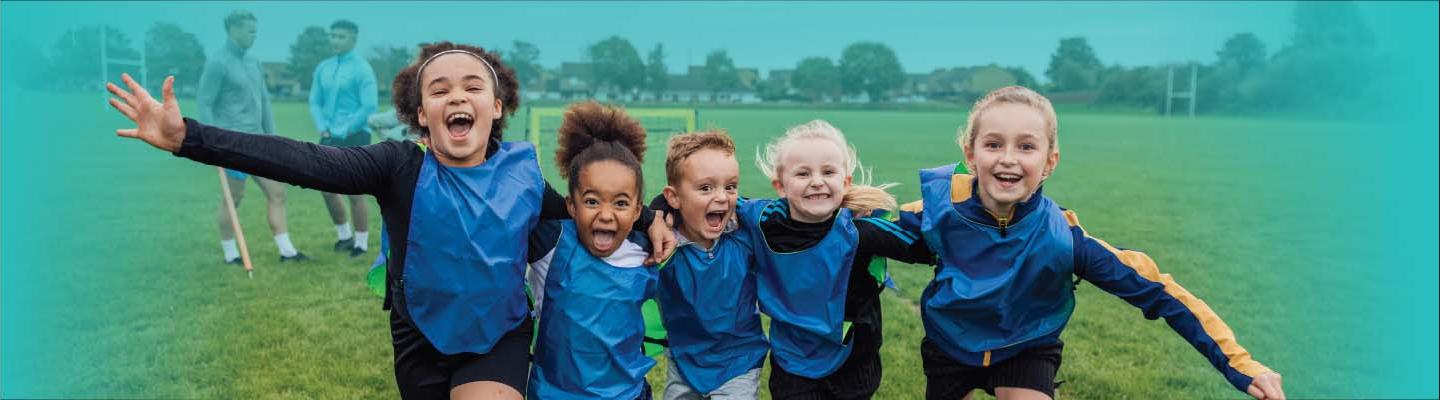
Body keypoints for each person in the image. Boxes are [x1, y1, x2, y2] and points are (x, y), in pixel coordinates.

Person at [105, 41, 674, 400]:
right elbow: (304, 160)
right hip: (420, 337)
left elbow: (582, 205)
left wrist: (650, 216)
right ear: (420, 113)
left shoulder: (522, 174)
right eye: (440, 89)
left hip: (497, 336)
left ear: (496, 107)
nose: (458, 95)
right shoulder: (398, 167)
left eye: (474, 87)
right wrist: (189, 138)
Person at [894, 86, 1285, 400]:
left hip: (1026, 345)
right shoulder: (936, 212)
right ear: (971, 155)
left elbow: (1161, 292)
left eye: (1027, 147)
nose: (1008, 159)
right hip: (951, 345)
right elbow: (863, 230)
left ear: (1050, 161)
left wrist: (1240, 364)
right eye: (994, 144)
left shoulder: (1064, 239)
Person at [738, 120, 934, 399]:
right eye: (803, 173)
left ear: (845, 181)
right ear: (780, 186)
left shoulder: (862, 232)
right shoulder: (763, 219)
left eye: (828, 171)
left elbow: (926, 245)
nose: (817, 180)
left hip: (854, 362)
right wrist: (658, 213)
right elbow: (712, 198)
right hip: (793, 363)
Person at [527, 101, 658, 400]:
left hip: (629, 395)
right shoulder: (551, 241)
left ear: (639, 210)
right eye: (592, 201)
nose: (606, 214)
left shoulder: (649, 251)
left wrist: (657, 220)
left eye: (621, 203)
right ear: (570, 205)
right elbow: (516, 188)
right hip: (552, 394)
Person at [649, 130, 768, 399]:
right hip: (684, 361)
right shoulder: (661, 241)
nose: (722, 197)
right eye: (706, 188)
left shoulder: (747, 230)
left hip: (740, 360)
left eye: (730, 186)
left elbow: (795, 215)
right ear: (674, 197)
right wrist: (655, 216)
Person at [197, 10, 307, 264]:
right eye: (249, 31)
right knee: (233, 199)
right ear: (232, 30)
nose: (253, 36)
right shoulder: (217, 62)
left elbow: (265, 101)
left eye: (256, 31)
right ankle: (230, 253)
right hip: (230, 144)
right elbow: (205, 103)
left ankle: (287, 251)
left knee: (277, 193)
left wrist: (272, 137)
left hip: (259, 142)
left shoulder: (254, 62)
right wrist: (210, 144)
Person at [308, 19, 378, 257]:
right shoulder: (323, 68)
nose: (335, 40)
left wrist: (346, 129)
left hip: (356, 134)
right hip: (329, 133)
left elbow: (369, 106)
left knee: (354, 190)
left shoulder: (362, 69)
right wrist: (323, 127)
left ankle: (361, 243)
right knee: (326, 187)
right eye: (333, 35)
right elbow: (315, 101)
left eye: (341, 36)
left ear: (353, 39)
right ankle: (344, 236)